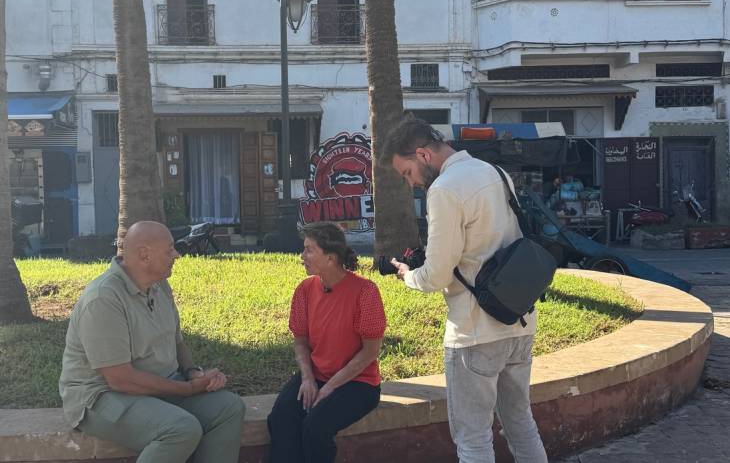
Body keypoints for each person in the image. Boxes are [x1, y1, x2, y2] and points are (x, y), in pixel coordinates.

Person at [385, 118, 547, 463]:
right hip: (518, 321)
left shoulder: (444, 189)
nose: (411, 183)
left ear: (422, 155)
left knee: (473, 440)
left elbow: (437, 275)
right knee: (521, 424)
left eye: (407, 173)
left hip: (474, 333)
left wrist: (409, 275)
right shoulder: (495, 173)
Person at [59, 221, 245, 463]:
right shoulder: (103, 299)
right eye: (169, 249)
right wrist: (188, 389)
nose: (176, 255)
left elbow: (177, 342)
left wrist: (193, 373)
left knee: (229, 408)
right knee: (180, 429)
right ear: (144, 255)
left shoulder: (159, 286)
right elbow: (120, 379)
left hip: (159, 386)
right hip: (102, 397)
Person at [267, 222, 386, 463]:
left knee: (315, 428)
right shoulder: (305, 289)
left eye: (309, 250)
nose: (302, 256)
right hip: (316, 375)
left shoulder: (365, 291)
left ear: (331, 258)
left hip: (358, 383)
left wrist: (330, 387)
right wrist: (307, 378)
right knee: (280, 418)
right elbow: (300, 341)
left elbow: (370, 352)